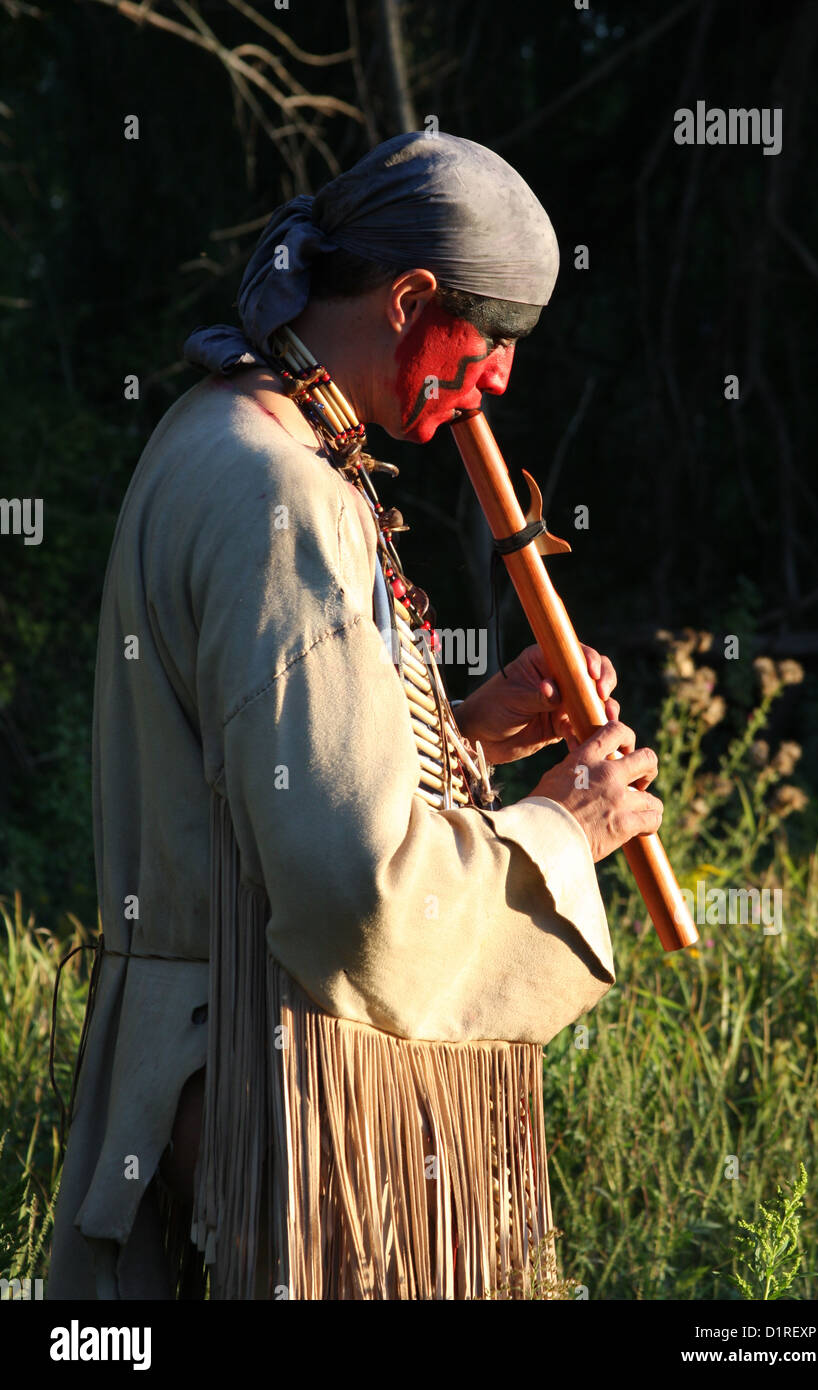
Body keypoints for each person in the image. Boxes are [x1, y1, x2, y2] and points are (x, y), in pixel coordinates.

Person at [47, 132, 663, 1301]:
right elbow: (352, 891)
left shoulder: (211, 433)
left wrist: (470, 730)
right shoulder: (283, 492)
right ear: (411, 298)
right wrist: (562, 832)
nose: (497, 384)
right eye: (490, 345)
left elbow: (259, 776)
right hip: (273, 1107)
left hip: (198, 1075)